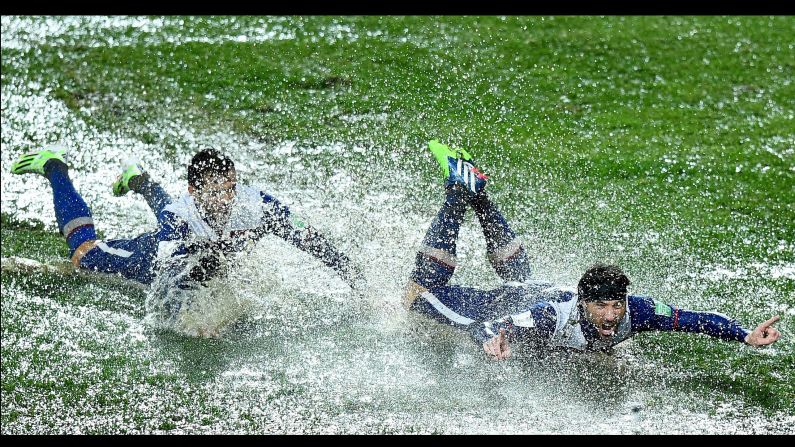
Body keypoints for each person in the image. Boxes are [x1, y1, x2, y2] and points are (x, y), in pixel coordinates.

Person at [404, 140, 782, 359]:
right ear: (584, 303)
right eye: (601, 306)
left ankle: (476, 193)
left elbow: (695, 319)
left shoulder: (639, 312)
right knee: (418, 297)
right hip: (515, 301)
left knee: (524, 279)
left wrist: (744, 334)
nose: (611, 315)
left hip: (541, 289)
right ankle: (459, 194)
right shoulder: (548, 319)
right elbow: (493, 324)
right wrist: (490, 339)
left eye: (616, 304)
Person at [11, 145, 362, 335]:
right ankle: (54, 166)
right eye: (216, 191)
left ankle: (139, 179)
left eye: (231, 188)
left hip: (193, 239)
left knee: (199, 236)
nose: (227, 199)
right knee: (82, 254)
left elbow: (313, 242)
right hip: (153, 258)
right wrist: (195, 321)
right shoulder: (178, 220)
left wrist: (359, 283)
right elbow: (166, 285)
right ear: (195, 191)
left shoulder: (256, 206)